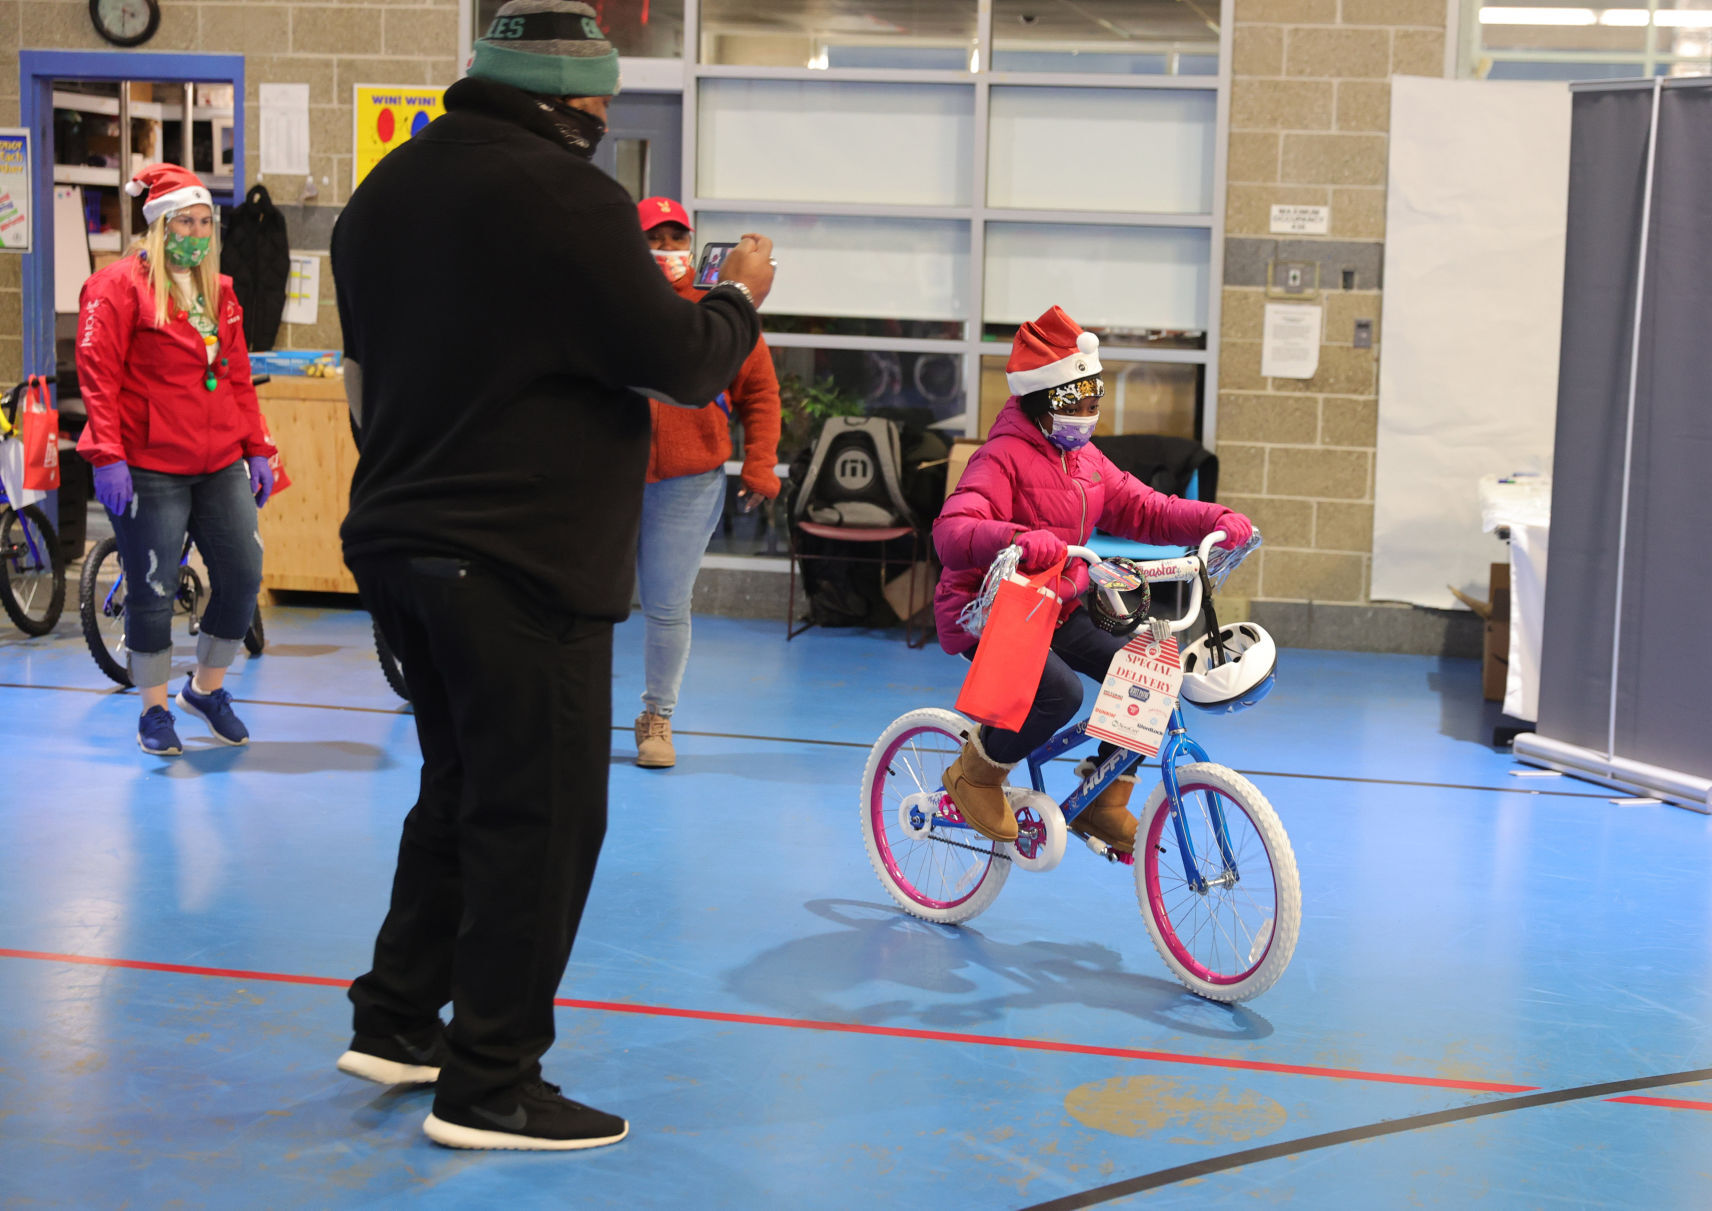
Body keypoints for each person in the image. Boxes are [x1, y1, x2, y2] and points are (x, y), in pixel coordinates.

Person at [329, 1, 775, 1153]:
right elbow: (678, 362)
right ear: (571, 103)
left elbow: (376, 372)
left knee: (460, 784)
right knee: (540, 819)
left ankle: (393, 1017)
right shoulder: (567, 194)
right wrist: (733, 294)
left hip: (398, 539)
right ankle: (489, 1082)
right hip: (520, 555)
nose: (599, 123)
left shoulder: (387, 192)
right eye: (598, 106)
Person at [932, 306, 1253, 852]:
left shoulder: (1083, 461)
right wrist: (1013, 537)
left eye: (1093, 399)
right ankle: (976, 774)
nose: (1087, 413)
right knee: (1060, 693)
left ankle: (1105, 796)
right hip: (995, 609)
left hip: (1058, 603)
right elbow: (952, 529)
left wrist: (1215, 520)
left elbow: (1146, 509)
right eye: (1074, 401)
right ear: (1040, 400)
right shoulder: (1001, 456)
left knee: (1150, 667)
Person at [75, 162, 275, 757]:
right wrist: (108, 455)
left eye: (204, 220)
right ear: (158, 226)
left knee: (242, 573)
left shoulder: (222, 292)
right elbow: (98, 377)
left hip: (217, 459)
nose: (196, 230)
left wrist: (258, 448)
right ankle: (154, 711)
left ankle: (206, 689)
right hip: (148, 462)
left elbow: (236, 377)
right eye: (184, 220)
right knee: (153, 586)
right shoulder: (116, 287)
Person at [632, 197, 782, 768]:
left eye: (677, 240)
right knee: (583, 601)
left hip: (689, 481)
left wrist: (760, 463)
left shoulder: (717, 310)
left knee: (668, 606)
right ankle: (564, 711)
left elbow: (761, 393)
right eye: (655, 240)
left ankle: (657, 717)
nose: (668, 252)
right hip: (609, 478)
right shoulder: (617, 303)